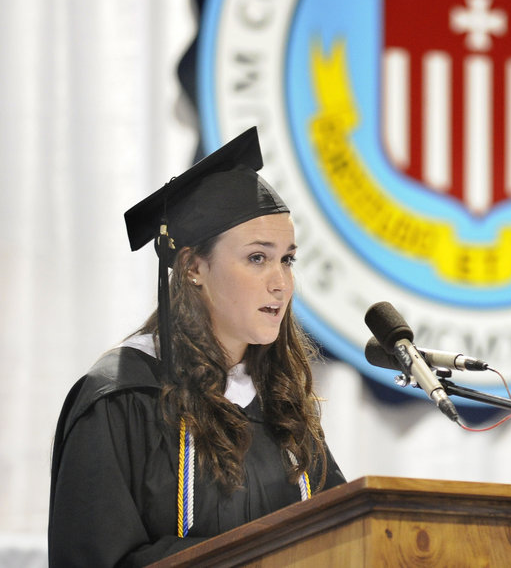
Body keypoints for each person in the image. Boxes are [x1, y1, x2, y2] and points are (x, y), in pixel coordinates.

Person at [48, 127, 346, 567]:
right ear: (192, 267)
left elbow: (344, 537)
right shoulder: (122, 399)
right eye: (257, 258)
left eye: (287, 259)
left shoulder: (280, 403)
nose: (281, 282)